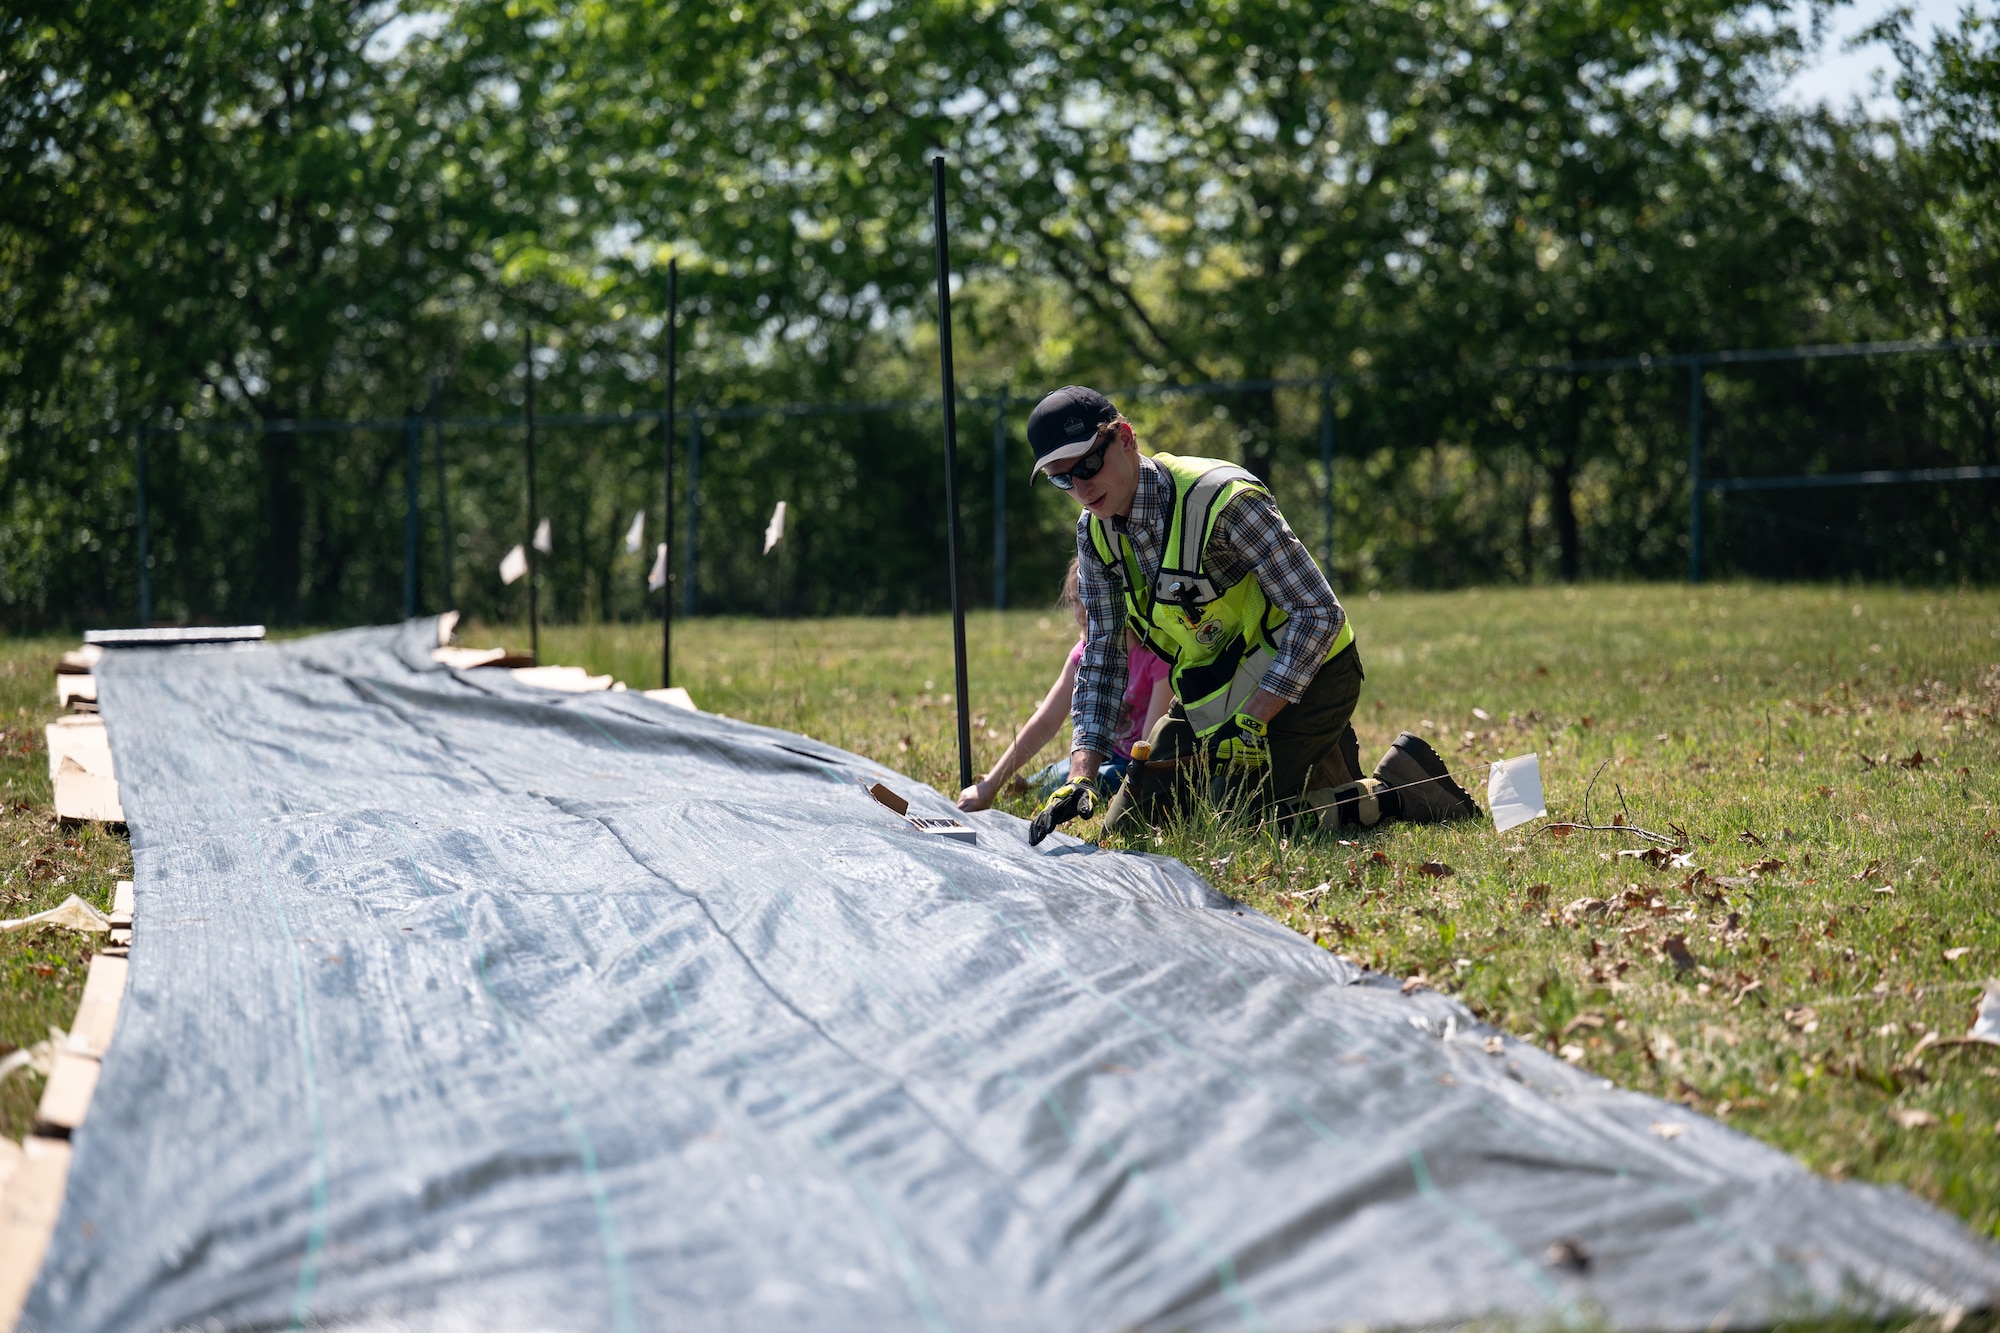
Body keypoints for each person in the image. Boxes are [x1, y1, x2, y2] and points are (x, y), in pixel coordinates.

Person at [1021, 385, 1479, 846]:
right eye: (1063, 479)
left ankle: (1400, 788)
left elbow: (1319, 615)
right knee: (1128, 832)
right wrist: (1082, 773)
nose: (1081, 488)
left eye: (1087, 465)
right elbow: (1102, 656)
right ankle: (1320, 763)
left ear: (1125, 438)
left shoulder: (1223, 500)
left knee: (1232, 827)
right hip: (1213, 697)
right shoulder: (1093, 533)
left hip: (1311, 676)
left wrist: (1255, 719)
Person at [958, 558, 1173, 811]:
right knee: (1033, 789)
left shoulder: (1156, 656)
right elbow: (1045, 722)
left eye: (1090, 599)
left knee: (1058, 791)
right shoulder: (1083, 653)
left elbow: (1147, 752)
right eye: (1075, 601)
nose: (1081, 612)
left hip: (1132, 768)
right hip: (1099, 756)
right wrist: (990, 785)